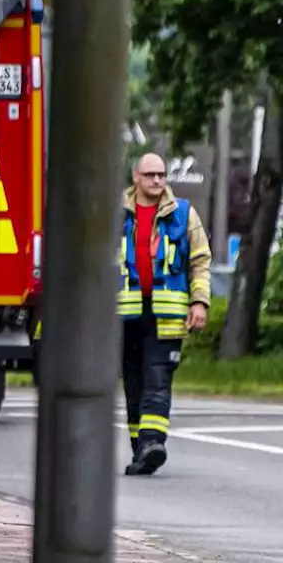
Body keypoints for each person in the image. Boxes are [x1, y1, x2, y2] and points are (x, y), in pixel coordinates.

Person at [119, 153, 211, 476]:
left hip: (167, 316)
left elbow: (200, 261)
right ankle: (140, 449)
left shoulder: (184, 215)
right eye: (150, 175)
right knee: (133, 383)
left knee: (157, 381)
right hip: (125, 316)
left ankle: (152, 442)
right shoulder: (115, 214)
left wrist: (199, 302)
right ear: (136, 177)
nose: (157, 180)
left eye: (161, 174)